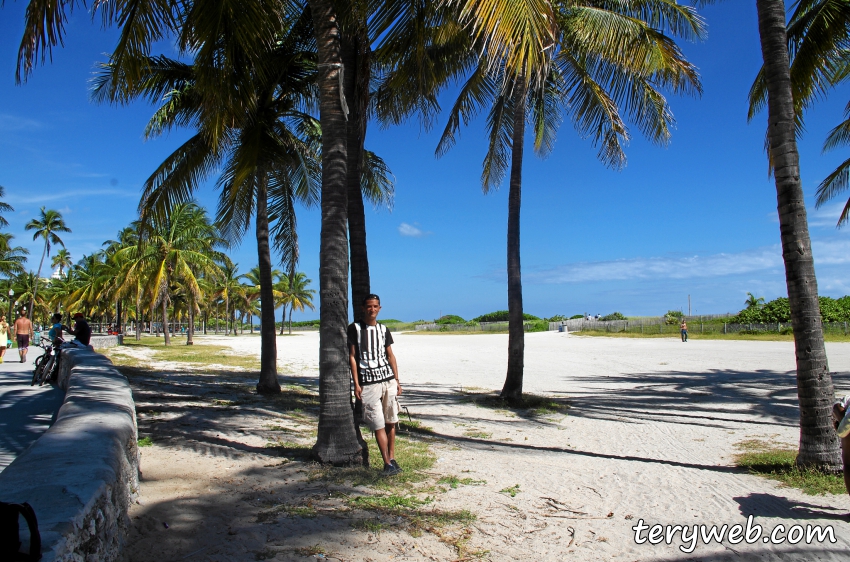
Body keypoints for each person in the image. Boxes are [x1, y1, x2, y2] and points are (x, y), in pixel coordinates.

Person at [348, 294, 402, 476]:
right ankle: (386, 463)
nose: (372, 309)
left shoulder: (383, 329)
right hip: (368, 382)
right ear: (364, 308)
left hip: (387, 379)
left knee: (391, 420)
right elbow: (353, 358)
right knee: (378, 422)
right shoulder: (355, 328)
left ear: (380, 308)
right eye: (369, 306)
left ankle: (392, 459)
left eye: (375, 306)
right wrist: (356, 383)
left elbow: (390, 355)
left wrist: (397, 379)